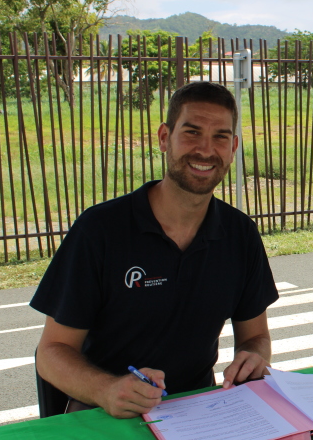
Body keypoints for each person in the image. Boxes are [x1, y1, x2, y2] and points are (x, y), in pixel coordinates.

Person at [32, 81, 279, 419]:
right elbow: (51, 352)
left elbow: (256, 336)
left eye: (220, 137)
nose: (206, 150)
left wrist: (255, 357)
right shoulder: (100, 230)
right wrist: (106, 390)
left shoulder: (240, 234)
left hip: (200, 414)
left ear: (233, 147)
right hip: (103, 415)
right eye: (192, 133)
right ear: (164, 138)